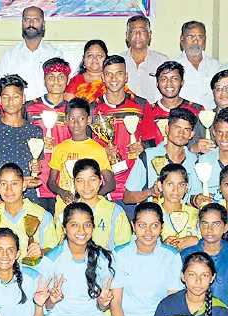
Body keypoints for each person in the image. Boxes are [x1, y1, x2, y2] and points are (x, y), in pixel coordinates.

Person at [91, 55, 148, 217]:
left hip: (135, 185)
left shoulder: (141, 105)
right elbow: (86, 146)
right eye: (109, 74)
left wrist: (143, 147)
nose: (114, 78)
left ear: (126, 76)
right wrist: (102, 153)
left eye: (119, 73)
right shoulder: (92, 109)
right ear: (102, 77)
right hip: (105, 183)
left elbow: (154, 141)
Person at [0, 75, 43, 203]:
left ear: (23, 99)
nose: (10, 101)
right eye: (6, 97)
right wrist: (10, 181)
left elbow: (37, 165)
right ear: (0, 100)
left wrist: (36, 169)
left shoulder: (35, 131)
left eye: (16, 97)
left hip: (28, 197)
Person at [47, 98, 114, 215]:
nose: (76, 123)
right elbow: (51, 182)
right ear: (66, 120)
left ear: (88, 120)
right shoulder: (59, 149)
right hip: (64, 208)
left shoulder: (97, 149)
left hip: (90, 210)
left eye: (81, 119)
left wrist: (92, 198)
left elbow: (110, 183)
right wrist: (61, 192)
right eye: (72, 119)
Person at [124, 107, 201, 205]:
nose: (181, 133)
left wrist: (196, 200)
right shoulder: (148, 156)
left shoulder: (195, 161)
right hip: (152, 216)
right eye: (177, 128)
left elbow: (193, 197)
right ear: (167, 129)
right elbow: (127, 197)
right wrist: (150, 192)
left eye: (186, 130)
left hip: (182, 217)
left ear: (191, 135)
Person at [25, 57, 72, 213]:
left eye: (61, 77)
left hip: (65, 180)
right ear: (44, 80)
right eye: (51, 77)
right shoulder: (30, 108)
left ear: (67, 80)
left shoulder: (74, 110)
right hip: (37, 179)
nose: (56, 81)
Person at [0, 163, 59, 265]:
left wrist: (41, 252)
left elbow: (56, 251)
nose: (9, 189)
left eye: (14, 183)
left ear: (23, 186)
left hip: (36, 276)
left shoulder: (42, 215)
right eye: (3, 184)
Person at [181, 203, 228, 309]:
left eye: (216, 224)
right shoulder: (185, 255)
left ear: (225, 227)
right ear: (199, 226)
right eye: (205, 224)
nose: (209, 229)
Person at [56, 159, 129, 250]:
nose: (86, 186)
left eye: (92, 179)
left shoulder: (115, 211)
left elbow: (124, 248)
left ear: (101, 181)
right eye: (80, 180)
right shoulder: (66, 213)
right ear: (74, 183)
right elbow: (59, 248)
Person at [0, 6, 63, 100]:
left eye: (36, 20)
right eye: (27, 19)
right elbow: (1, 88)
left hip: (47, 111)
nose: (31, 24)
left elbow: (60, 88)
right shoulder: (9, 56)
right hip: (17, 111)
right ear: (22, 24)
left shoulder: (54, 54)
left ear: (43, 24)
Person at [140, 61, 204, 146]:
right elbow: (146, 143)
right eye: (164, 79)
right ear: (157, 83)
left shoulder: (196, 110)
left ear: (182, 82)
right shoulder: (148, 111)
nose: (169, 83)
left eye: (174, 79)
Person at [120, 15, 168, 103]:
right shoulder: (118, 62)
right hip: (126, 113)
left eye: (142, 31)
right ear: (127, 35)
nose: (138, 35)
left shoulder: (162, 61)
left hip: (155, 113)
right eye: (133, 32)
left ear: (149, 35)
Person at [173, 21, 220, 110]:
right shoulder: (173, 67)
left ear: (205, 39)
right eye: (190, 36)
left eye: (200, 37)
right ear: (182, 39)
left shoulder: (216, 67)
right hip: (183, 120)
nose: (195, 41)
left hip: (210, 120)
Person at [156, 164, 200, 251]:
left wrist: (196, 241)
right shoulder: (150, 213)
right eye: (170, 184)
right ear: (160, 186)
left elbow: (211, 242)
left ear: (186, 187)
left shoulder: (195, 214)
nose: (175, 190)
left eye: (180, 185)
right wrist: (162, 246)